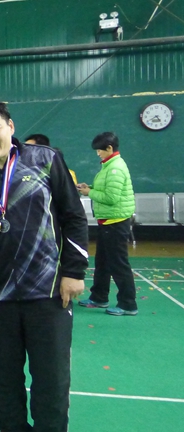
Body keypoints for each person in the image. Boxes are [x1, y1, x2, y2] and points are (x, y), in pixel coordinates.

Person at [0, 99, 88, 432]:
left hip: (48, 291)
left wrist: (74, 271)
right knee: (1, 374)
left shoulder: (46, 160)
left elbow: (73, 216)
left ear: (10, 127)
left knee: (51, 375)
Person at [77, 132, 137, 316]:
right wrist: (89, 188)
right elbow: (106, 190)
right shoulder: (108, 165)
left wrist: (89, 193)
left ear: (109, 148)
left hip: (116, 223)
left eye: (99, 150)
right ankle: (99, 297)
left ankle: (128, 304)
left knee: (118, 264)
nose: (98, 153)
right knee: (102, 262)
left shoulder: (115, 168)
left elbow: (111, 198)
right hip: (107, 221)